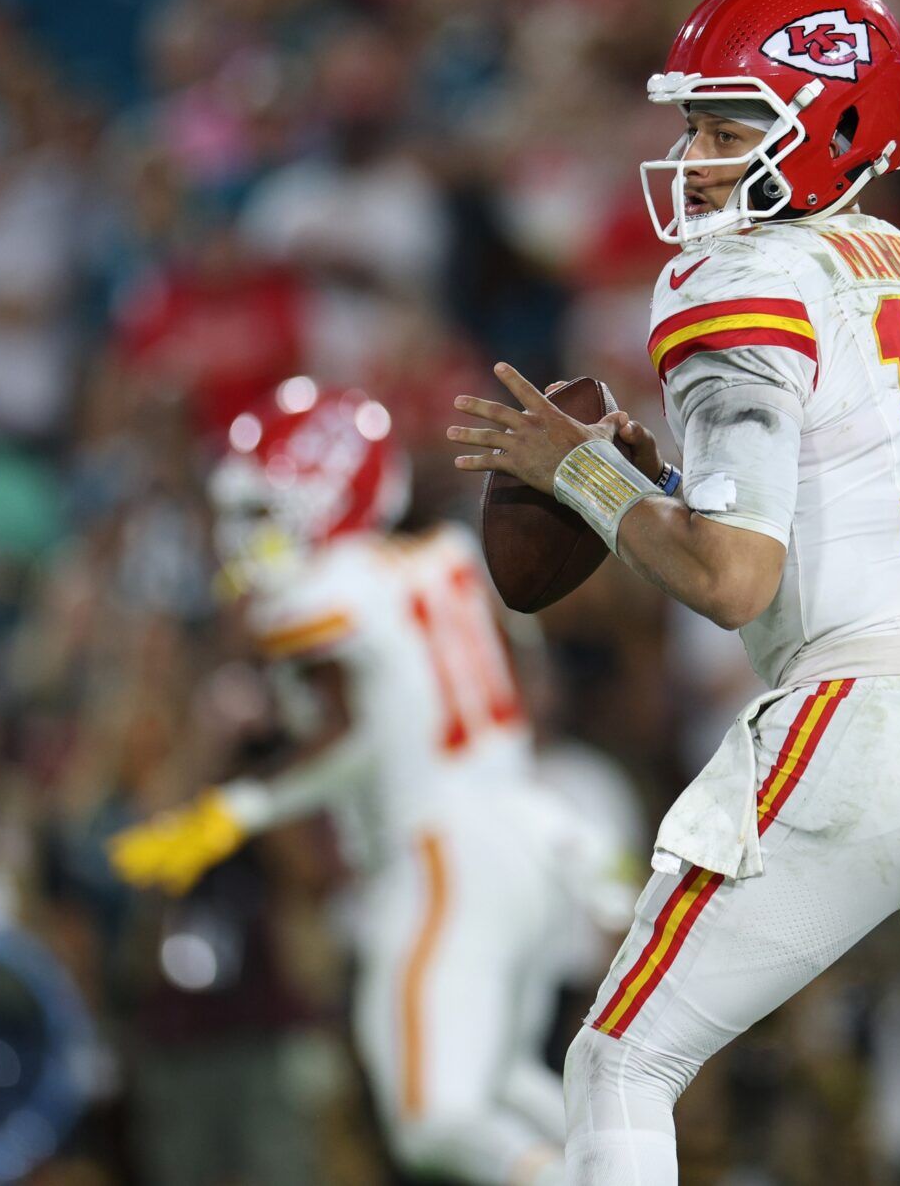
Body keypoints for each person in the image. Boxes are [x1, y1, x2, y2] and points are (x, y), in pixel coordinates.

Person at [448, 0, 900, 1185]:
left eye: (727, 127)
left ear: (829, 130)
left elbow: (732, 577)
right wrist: (663, 482)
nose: (694, 157)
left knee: (619, 1063)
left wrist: (592, 482)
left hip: (873, 716)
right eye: (692, 126)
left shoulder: (737, 276)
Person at [106, 381, 630, 1186]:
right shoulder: (446, 559)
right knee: (504, 1086)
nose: (244, 540)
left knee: (435, 1121)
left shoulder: (327, 589)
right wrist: (247, 806)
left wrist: (237, 798)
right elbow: (404, 726)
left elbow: (318, 690)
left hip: (442, 856)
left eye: (258, 511)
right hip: (524, 839)